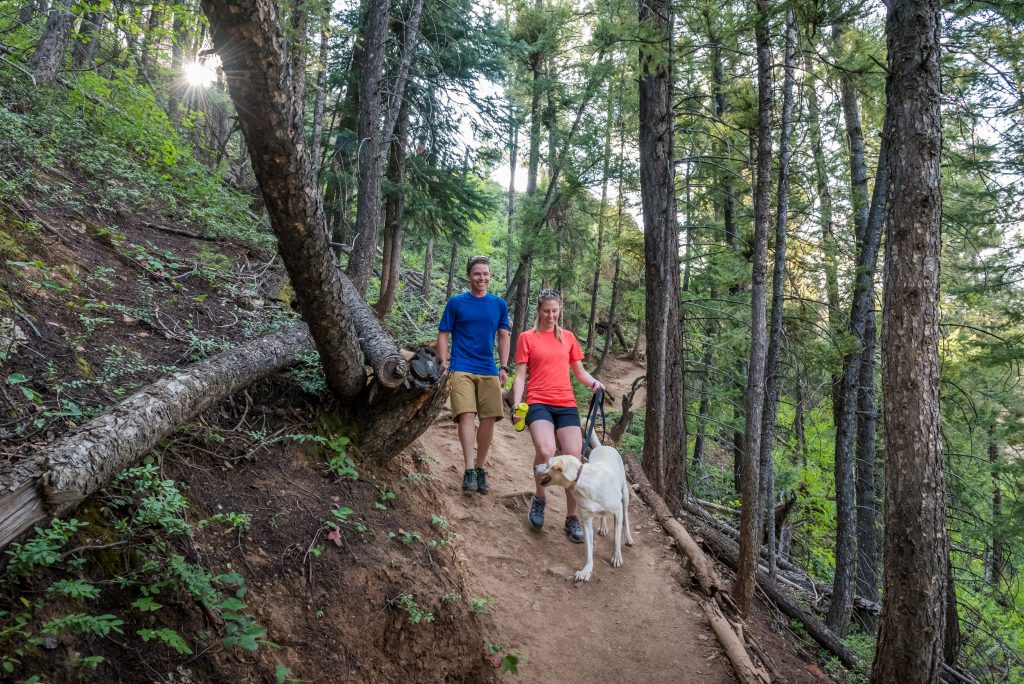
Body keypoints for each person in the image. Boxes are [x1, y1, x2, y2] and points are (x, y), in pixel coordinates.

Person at [511, 288, 605, 543]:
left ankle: (571, 517)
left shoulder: (569, 338)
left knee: (574, 456)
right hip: (538, 400)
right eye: (546, 311)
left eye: (555, 311)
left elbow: (580, 372)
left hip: (565, 402)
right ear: (539, 311)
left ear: (559, 310)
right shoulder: (526, 338)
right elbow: (520, 375)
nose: (551, 316)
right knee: (545, 449)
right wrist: (517, 404)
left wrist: (595, 383)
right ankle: (539, 499)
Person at [437, 255, 511, 496]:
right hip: (462, 366)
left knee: (489, 418)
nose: (482, 278)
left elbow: (503, 336)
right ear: (469, 276)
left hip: (488, 368)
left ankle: (480, 468)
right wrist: (444, 362)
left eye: (485, 274)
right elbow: (444, 333)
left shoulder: (498, 304)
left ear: (490, 276)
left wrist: (504, 366)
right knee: (466, 415)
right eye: (477, 273)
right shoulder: (457, 302)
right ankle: (468, 468)